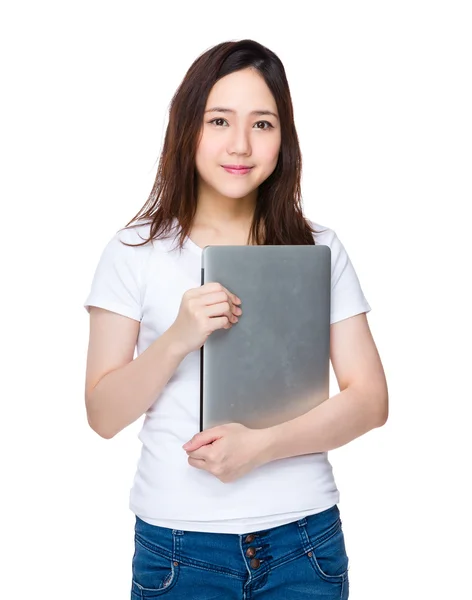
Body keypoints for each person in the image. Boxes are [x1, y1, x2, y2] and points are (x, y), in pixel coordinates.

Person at [83, 39, 388, 599]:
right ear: (187, 130)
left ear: (283, 139)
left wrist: (261, 446)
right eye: (219, 120)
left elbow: (370, 401)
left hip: (304, 543)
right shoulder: (134, 250)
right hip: (178, 548)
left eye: (263, 124)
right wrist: (178, 338)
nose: (241, 145)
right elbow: (102, 415)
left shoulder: (317, 248)